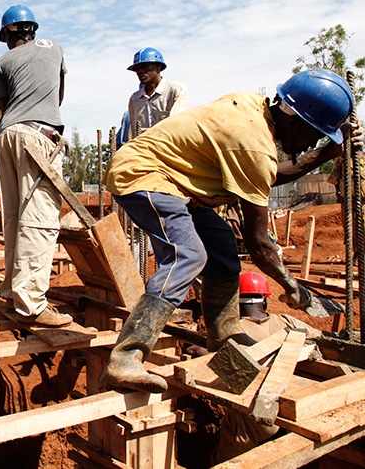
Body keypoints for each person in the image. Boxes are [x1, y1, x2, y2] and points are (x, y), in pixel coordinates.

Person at [101, 68, 355, 393]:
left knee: (220, 245)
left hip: (177, 183)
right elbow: (259, 243)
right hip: (143, 175)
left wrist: (324, 153)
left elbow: (265, 173)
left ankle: (224, 335)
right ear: (295, 122)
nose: (312, 142)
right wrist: (294, 287)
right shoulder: (253, 145)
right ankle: (125, 359)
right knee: (187, 256)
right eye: (315, 135)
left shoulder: (254, 110)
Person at [0, 5, 72, 327]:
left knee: (14, 218)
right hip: (38, 136)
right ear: (32, 30)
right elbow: (59, 99)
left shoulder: (0, 63)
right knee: (39, 220)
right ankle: (32, 305)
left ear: (7, 35)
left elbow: (2, 107)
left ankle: (13, 295)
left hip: (7, 136)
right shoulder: (55, 48)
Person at [209, 271, 320, 464]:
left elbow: (215, 366)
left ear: (234, 303)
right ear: (265, 301)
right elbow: (320, 338)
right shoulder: (287, 322)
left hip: (250, 420)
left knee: (224, 463)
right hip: (289, 415)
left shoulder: (233, 332)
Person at [126, 47, 188, 139]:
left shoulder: (175, 90)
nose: (140, 72)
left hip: (170, 147)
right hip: (144, 149)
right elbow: (134, 133)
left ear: (158, 67)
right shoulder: (135, 99)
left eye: (145, 67)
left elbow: (175, 124)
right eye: (137, 69)